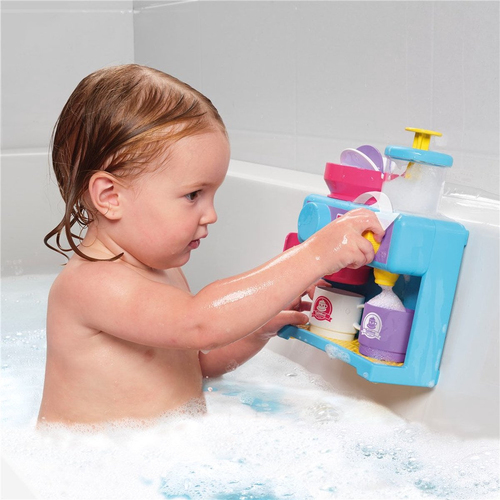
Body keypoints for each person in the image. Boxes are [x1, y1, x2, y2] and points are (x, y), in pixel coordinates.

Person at [38, 64, 384, 425]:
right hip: (97, 455)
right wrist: (315, 254)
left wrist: (255, 332)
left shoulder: (164, 271)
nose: (211, 215)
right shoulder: (92, 283)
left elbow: (193, 363)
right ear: (110, 196)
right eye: (193, 195)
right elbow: (200, 324)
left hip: (158, 448)